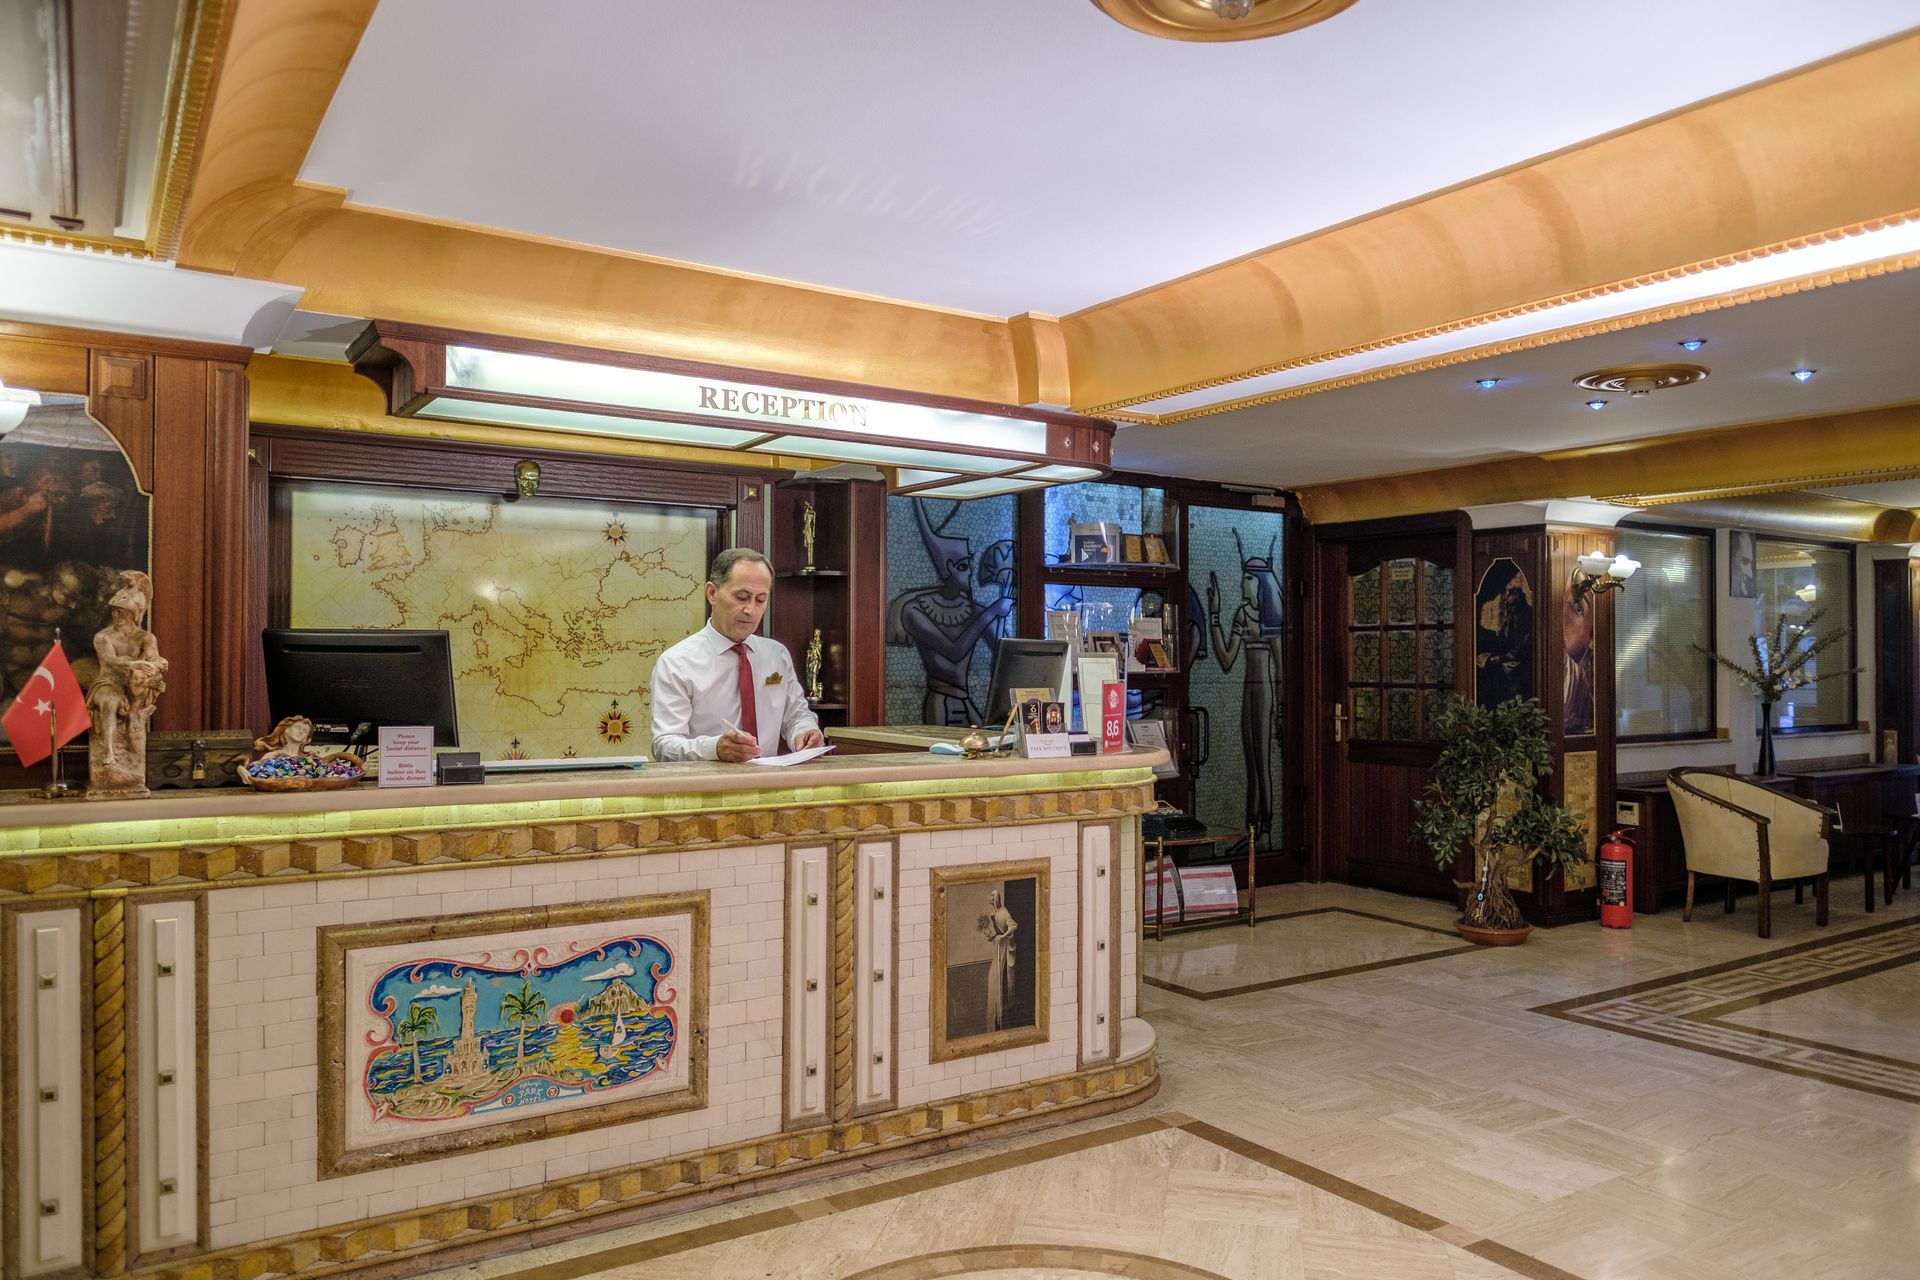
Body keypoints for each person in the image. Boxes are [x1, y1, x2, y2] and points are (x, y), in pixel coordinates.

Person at [650, 548, 824, 763]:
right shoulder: (677, 662)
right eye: (742, 597)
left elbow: (796, 715)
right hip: (707, 790)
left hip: (769, 786)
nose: (750, 609)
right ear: (712, 593)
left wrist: (805, 733)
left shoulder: (776, 655)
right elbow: (664, 746)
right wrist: (714, 749)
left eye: (760, 600)